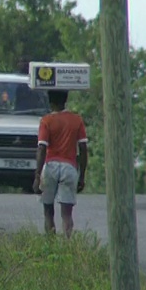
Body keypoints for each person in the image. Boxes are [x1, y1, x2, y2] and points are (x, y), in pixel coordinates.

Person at [32, 90, 88, 238]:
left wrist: (37, 176)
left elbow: (42, 148)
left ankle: (51, 246)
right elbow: (83, 149)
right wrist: (82, 176)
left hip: (50, 167)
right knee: (67, 214)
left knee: (48, 211)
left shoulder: (46, 121)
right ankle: (67, 247)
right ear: (65, 100)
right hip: (69, 168)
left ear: (50, 102)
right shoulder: (77, 120)